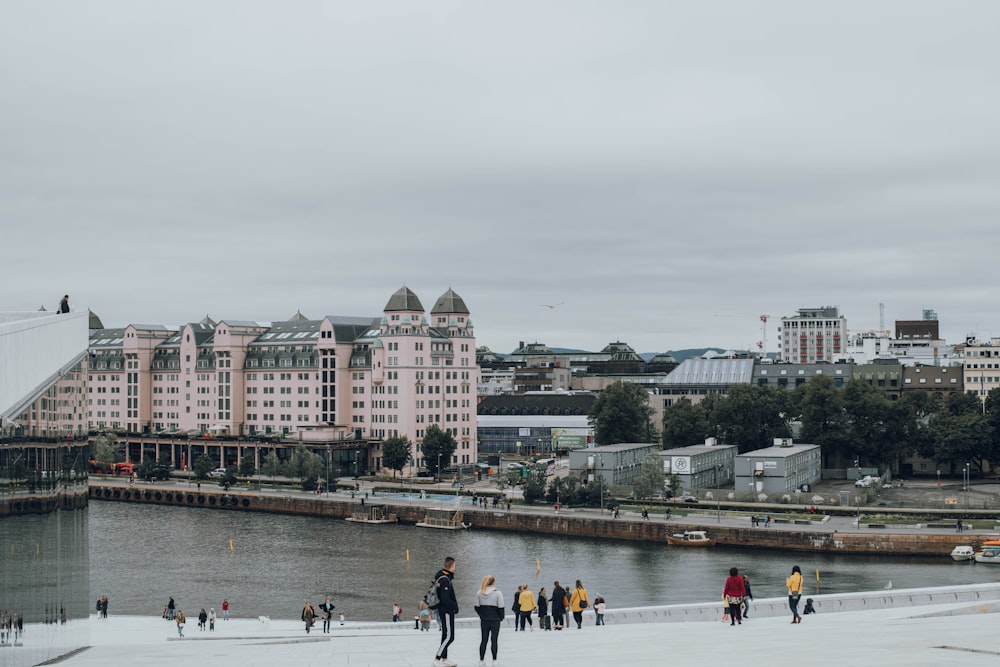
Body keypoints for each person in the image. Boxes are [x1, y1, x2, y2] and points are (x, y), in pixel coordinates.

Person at [432, 556, 459, 667]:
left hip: (444, 610)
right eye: (455, 565)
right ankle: (437, 659)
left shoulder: (443, 577)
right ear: (452, 566)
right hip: (446, 611)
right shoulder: (444, 580)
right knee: (450, 636)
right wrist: (454, 607)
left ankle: (444, 658)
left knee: (445, 635)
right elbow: (445, 598)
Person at [474, 574, 505, 667]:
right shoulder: (497, 593)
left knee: (484, 640)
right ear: (493, 582)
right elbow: (501, 607)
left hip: (484, 619)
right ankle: (494, 660)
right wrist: (501, 617)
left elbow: (476, 607)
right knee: (494, 640)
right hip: (495, 620)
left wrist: (482, 615)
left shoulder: (479, 592)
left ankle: (481, 660)